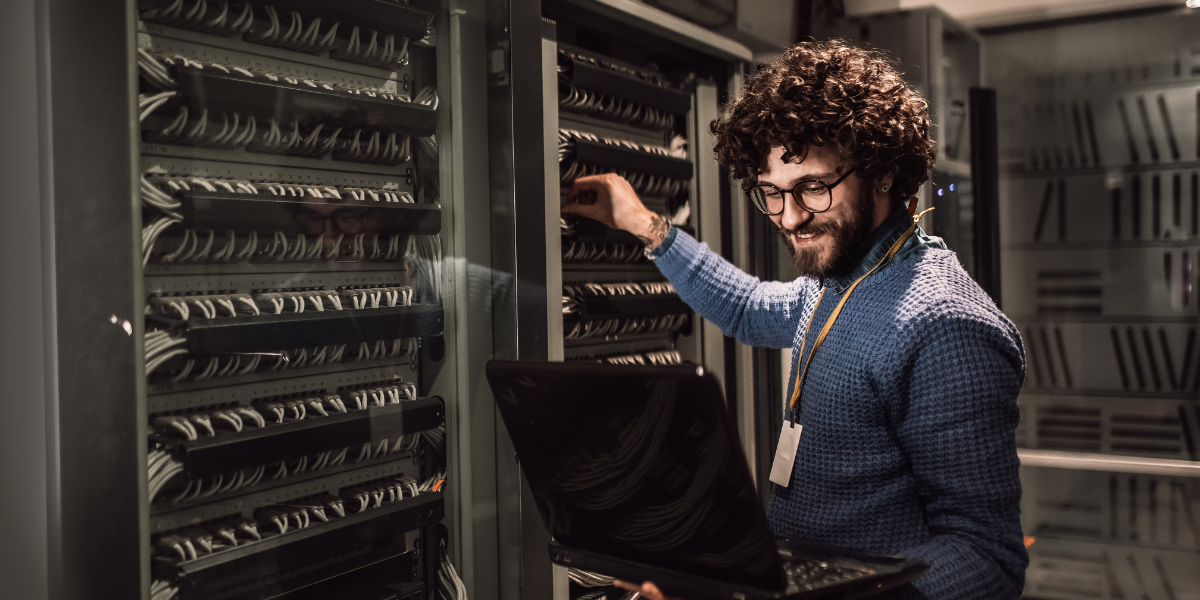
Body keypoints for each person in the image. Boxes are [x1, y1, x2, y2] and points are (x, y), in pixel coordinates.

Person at [562, 40, 1027, 600]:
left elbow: (986, 559)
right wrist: (645, 227)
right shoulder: (844, 279)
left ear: (881, 170)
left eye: (813, 187)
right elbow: (746, 307)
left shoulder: (944, 328)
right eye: (772, 193)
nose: (791, 217)